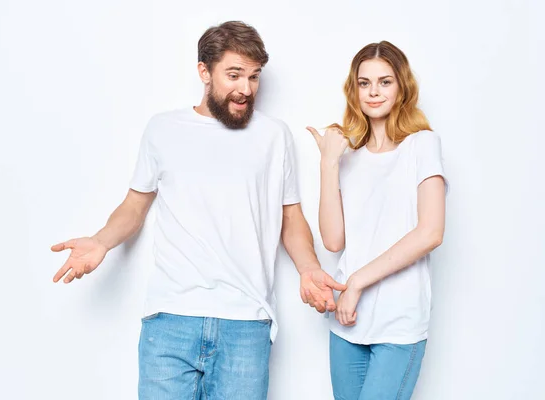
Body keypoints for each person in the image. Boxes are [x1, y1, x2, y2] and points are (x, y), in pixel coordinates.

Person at [51, 21, 345, 400]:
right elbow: (134, 206)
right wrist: (100, 242)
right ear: (204, 72)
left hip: (246, 323)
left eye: (254, 77)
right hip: (170, 319)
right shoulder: (163, 129)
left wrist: (309, 269)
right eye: (234, 75)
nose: (245, 89)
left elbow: (290, 218)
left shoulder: (274, 136)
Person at [307, 40, 448, 400]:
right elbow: (334, 241)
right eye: (364, 82)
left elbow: (431, 232)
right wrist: (329, 163)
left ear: (402, 87)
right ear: (353, 89)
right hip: (347, 324)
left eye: (385, 82)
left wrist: (356, 282)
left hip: (398, 323)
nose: (373, 92)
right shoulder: (349, 156)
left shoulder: (422, 145)